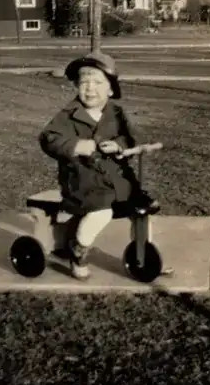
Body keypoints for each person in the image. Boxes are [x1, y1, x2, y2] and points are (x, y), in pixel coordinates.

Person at [39, 51, 157, 280]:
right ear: (76, 86)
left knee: (141, 209)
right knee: (101, 211)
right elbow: (48, 139)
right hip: (83, 180)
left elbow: (130, 138)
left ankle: (142, 252)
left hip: (117, 178)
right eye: (84, 82)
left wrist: (119, 145)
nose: (90, 88)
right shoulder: (68, 115)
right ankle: (78, 251)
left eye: (97, 82)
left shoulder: (116, 112)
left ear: (111, 89)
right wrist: (75, 145)